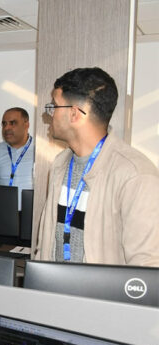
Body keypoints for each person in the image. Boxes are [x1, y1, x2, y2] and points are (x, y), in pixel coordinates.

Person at [34, 67, 159, 266]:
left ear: (74, 113)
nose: (50, 114)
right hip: (53, 285)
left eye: (54, 106)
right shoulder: (60, 164)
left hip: (102, 289)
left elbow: (147, 265)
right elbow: (46, 244)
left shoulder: (135, 175)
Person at [0, 107, 34, 195]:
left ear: (26, 125)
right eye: (4, 124)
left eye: (12, 123)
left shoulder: (39, 152)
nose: (6, 128)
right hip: (2, 204)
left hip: (34, 204)